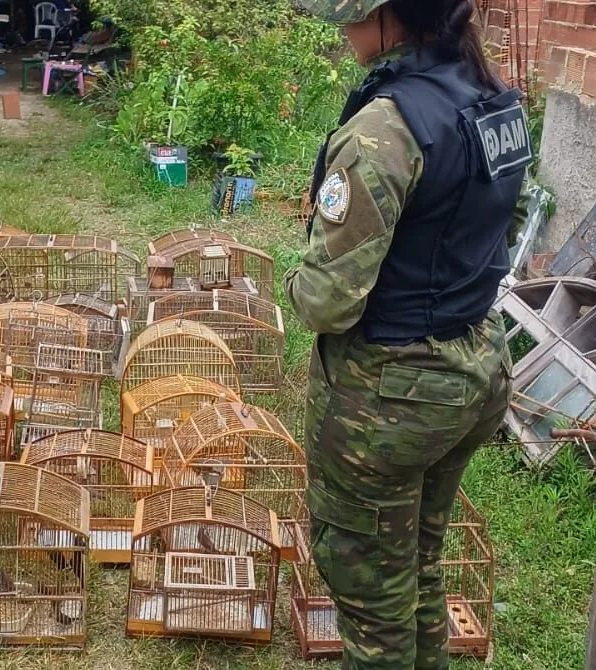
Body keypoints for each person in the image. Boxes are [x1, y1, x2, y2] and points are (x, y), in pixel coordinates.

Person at [285, 1, 531, 668]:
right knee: (419, 563)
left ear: (395, 18)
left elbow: (328, 302)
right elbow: (487, 235)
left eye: (353, 15)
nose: (344, 28)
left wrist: (294, 282)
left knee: (369, 598)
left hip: (390, 401)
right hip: (475, 368)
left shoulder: (384, 130)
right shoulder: (493, 97)